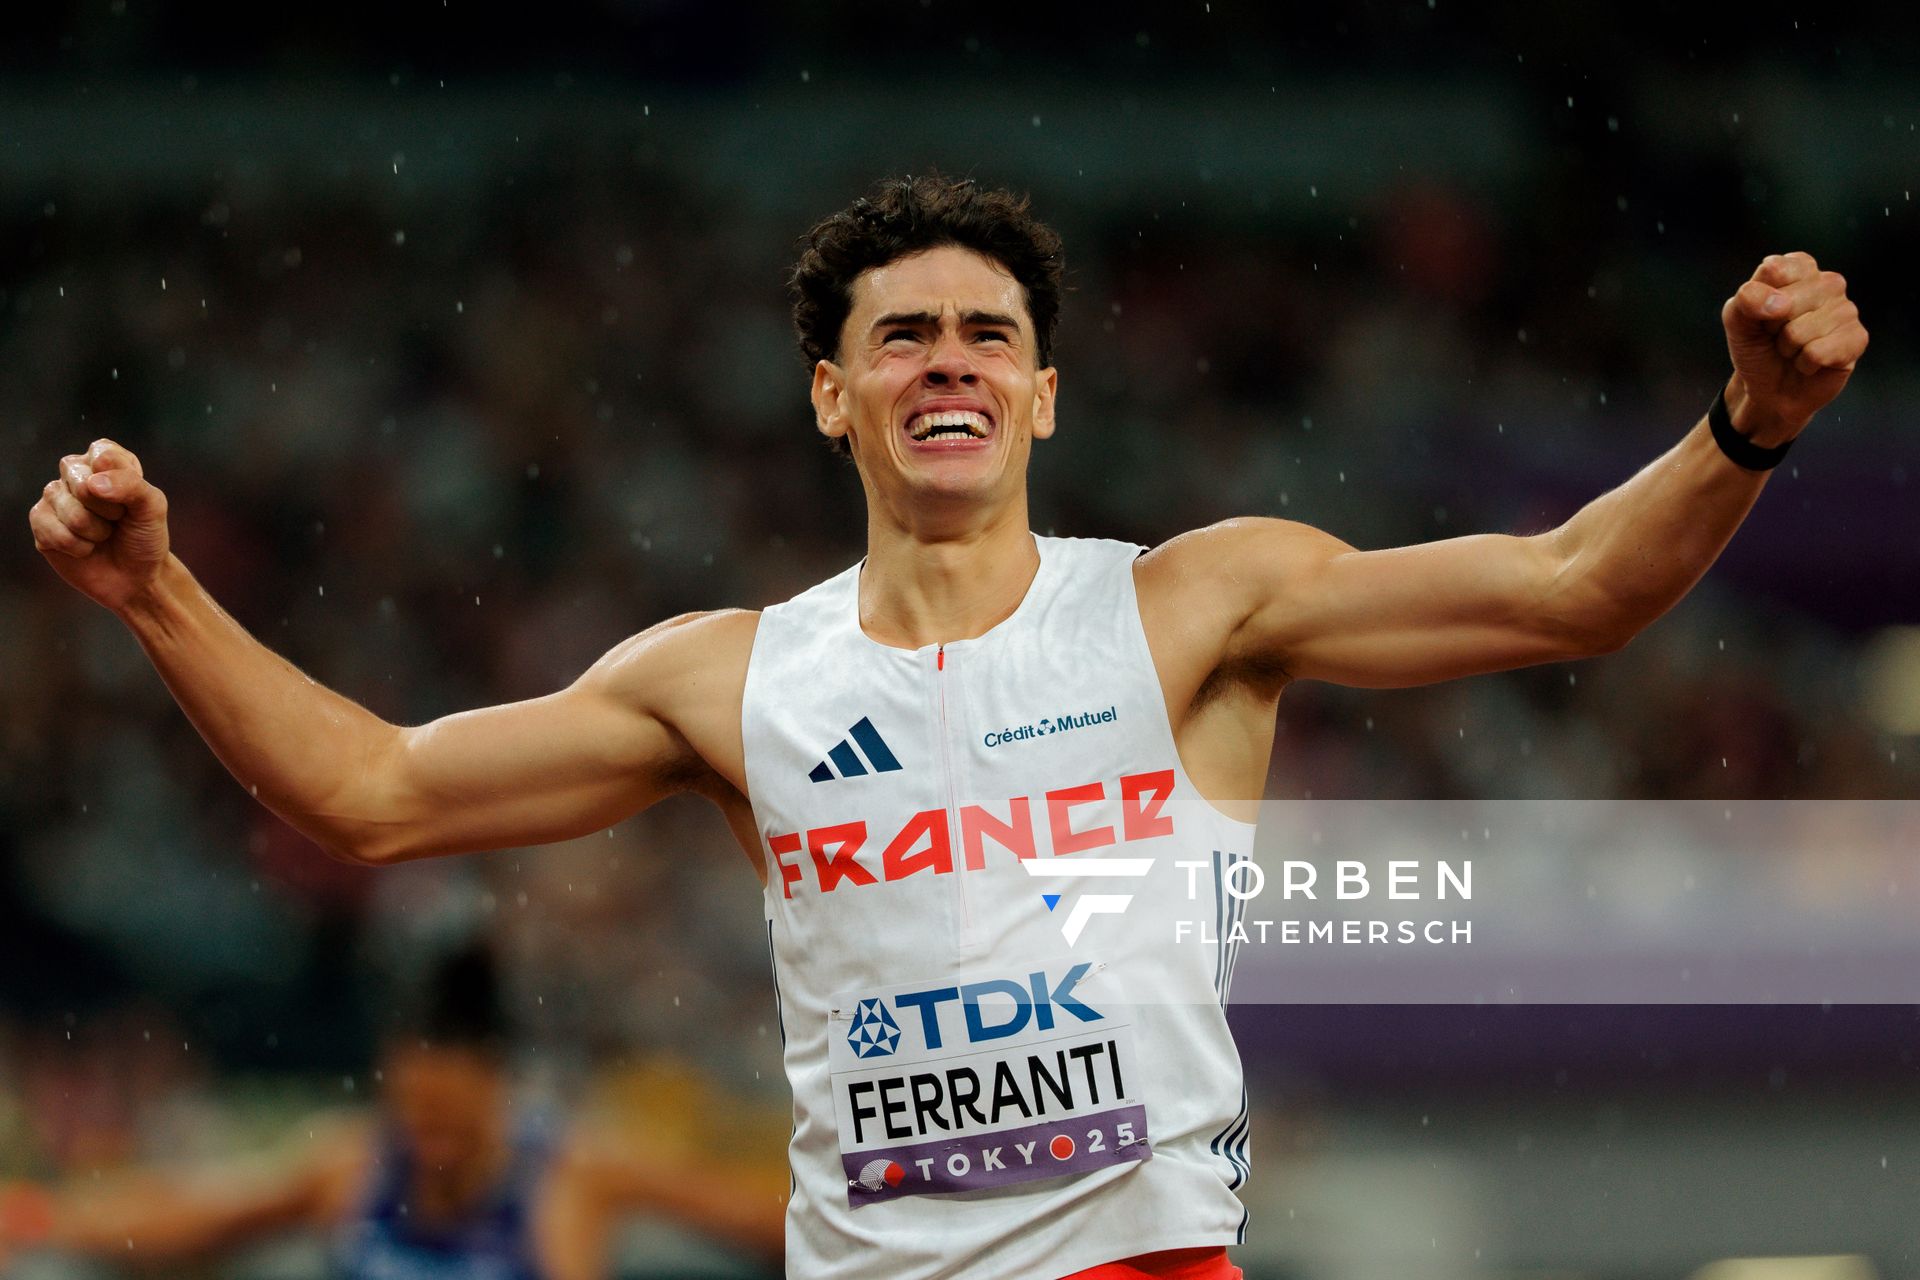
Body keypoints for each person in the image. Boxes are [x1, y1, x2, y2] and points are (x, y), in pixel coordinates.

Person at [27, 175, 1868, 1280]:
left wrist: (1747, 429)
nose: (950, 363)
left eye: (989, 336)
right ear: (832, 395)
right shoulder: (724, 677)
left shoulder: (1192, 606)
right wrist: (157, 598)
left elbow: (1567, 590)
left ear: (1047, 391)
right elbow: (372, 794)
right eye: (902, 338)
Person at [0, 944, 786, 1280]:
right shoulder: (354, 1163)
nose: (429, 1141)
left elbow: (758, 1216)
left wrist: (900, 1217)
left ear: (499, 1087)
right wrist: (36, 1217)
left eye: (451, 1122)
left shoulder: (573, 1173)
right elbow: (192, 1215)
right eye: (415, 1115)